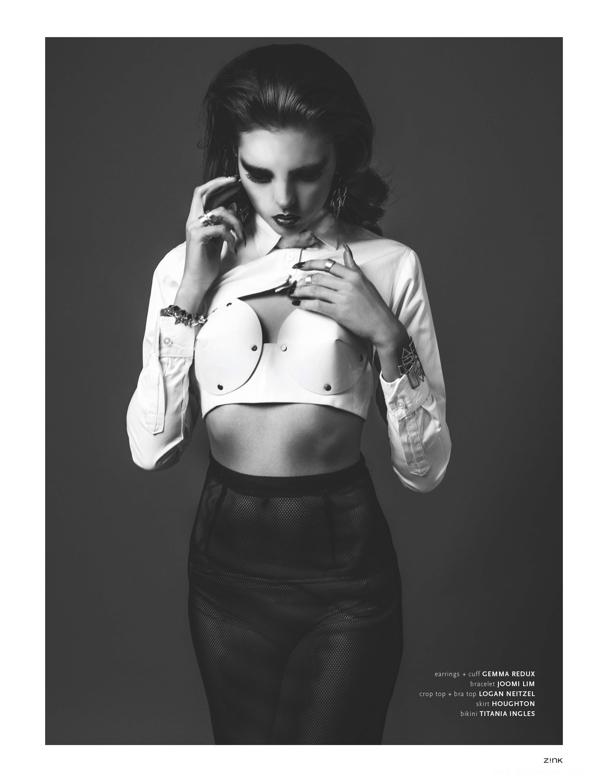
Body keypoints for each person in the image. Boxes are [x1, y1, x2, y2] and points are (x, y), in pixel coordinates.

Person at [126, 43, 452, 744]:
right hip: (225, 570)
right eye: (259, 173)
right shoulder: (184, 271)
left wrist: (387, 336)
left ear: (340, 161)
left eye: (307, 173)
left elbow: (424, 471)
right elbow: (153, 449)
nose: (284, 200)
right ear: (231, 166)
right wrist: (190, 294)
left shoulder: (388, 266)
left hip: (345, 569)